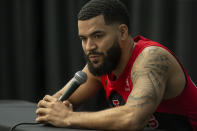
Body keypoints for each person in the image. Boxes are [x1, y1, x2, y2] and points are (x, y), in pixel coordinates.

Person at [35, 0, 197, 130]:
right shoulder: (101, 63)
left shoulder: (151, 59)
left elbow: (133, 118)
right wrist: (56, 109)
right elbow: (52, 105)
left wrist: (67, 118)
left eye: (97, 36)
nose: (89, 47)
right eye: (83, 39)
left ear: (122, 32)